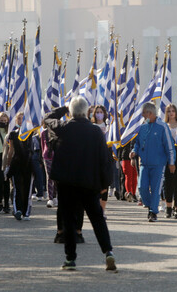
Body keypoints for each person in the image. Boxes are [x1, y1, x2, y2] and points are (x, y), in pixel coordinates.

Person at [45, 97, 117, 272]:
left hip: (67, 183)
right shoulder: (95, 132)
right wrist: (105, 183)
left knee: (68, 220)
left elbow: (47, 118)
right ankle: (108, 252)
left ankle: (70, 259)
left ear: (71, 112)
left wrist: (64, 108)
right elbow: (104, 159)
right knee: (97, 219)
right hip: (89, 182)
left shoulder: (64, 128)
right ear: (87, 112)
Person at [130, 102, 175, 223]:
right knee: (142, 187)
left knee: (156, 189)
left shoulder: (162, 126)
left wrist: (171, 162)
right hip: (144, 163)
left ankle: (153, 212)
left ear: (150, 113)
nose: (142, 116)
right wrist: (134, 151)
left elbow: (169, 145)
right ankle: (151, 206)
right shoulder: (143, 126)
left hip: (158, 165)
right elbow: (138, 143)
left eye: (144, 113)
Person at [4, 112, 35, 220]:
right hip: (16, 163)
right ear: (16, 120)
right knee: (17, 187)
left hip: (28, 164)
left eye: (23, 119)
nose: (21, 121)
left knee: (27, 188)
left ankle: (26, 212)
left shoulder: (31, 133)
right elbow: (11, 151)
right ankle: (18, 210)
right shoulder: (13, 134)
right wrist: (7, 165)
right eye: (19, 119)